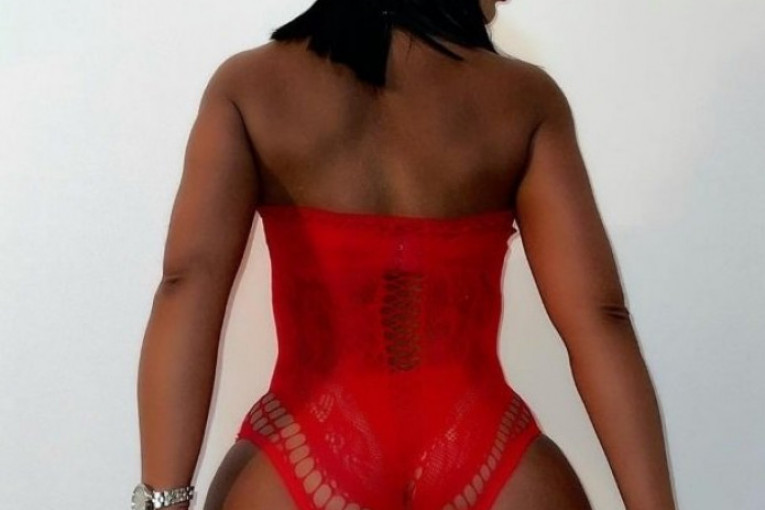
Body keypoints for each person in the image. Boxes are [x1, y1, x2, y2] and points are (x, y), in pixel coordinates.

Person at [135, 1, 677, 509]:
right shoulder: (523, 99)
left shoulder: (251, 87)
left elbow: (187, 285)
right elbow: (600, 317)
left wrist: (162, 501)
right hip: (491, 452)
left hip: (296, 451)